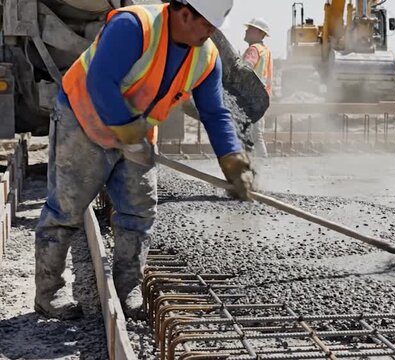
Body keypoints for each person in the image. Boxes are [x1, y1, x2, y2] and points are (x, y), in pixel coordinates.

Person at [34, 0, 254, 320]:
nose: (212, 31)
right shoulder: (134, 27)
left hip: (137, 133)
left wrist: (231, 158)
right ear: (184, 12)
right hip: (83, 121)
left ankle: (128, 289)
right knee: (66, 208)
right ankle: (48, 293)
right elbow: (100, 81)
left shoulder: (205, 56)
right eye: (207, 23)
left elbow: (215, 112)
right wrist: (126, 133)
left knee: (138, 211)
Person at [242, 18, 273, 158]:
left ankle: (262, 166)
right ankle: (255, 165)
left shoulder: (253, 50)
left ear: (260, 33)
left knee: (254, 135)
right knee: (256, 134)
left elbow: (244, 69)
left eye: (250, 28)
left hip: (251, 98)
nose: (246, 30)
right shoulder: (265, 51)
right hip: (262, 98)